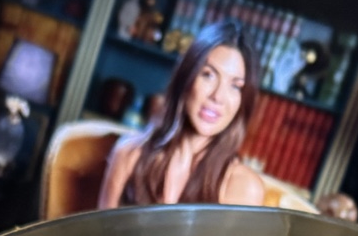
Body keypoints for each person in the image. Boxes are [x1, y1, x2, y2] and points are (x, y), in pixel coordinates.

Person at [98, 19, 266, 209]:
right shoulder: (129, 154)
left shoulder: (244, 188)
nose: (218, 96)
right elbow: (102, 229)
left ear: (243, 101)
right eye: (208, 75)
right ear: (187, 77)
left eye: (235, 86)